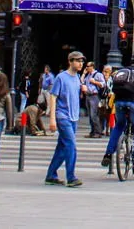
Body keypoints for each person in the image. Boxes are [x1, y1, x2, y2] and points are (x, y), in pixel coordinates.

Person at [44, 50, 85, 187]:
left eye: (81, 61)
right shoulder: (61, 77)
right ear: (70, 61)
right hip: (63, 116)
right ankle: (71, 176)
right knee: (71, 146)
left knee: (62, 148)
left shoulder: (77, 78)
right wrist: (52, 119)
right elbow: (53, 97)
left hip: (74, 117)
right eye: (77, 61)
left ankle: (51, 175)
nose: (80, 63)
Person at [82, 62, 105, 138]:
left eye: (88, 66)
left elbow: (103, 84)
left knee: (94, 115)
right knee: (90, 115)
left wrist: (95, 82)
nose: (87, 68)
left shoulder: (98, 75)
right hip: (88, 96)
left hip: (94, 96)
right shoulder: (88, 75)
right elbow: (81, 82)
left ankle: (98, 132)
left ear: (92, 67)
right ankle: (92, 131)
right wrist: (84, 74)